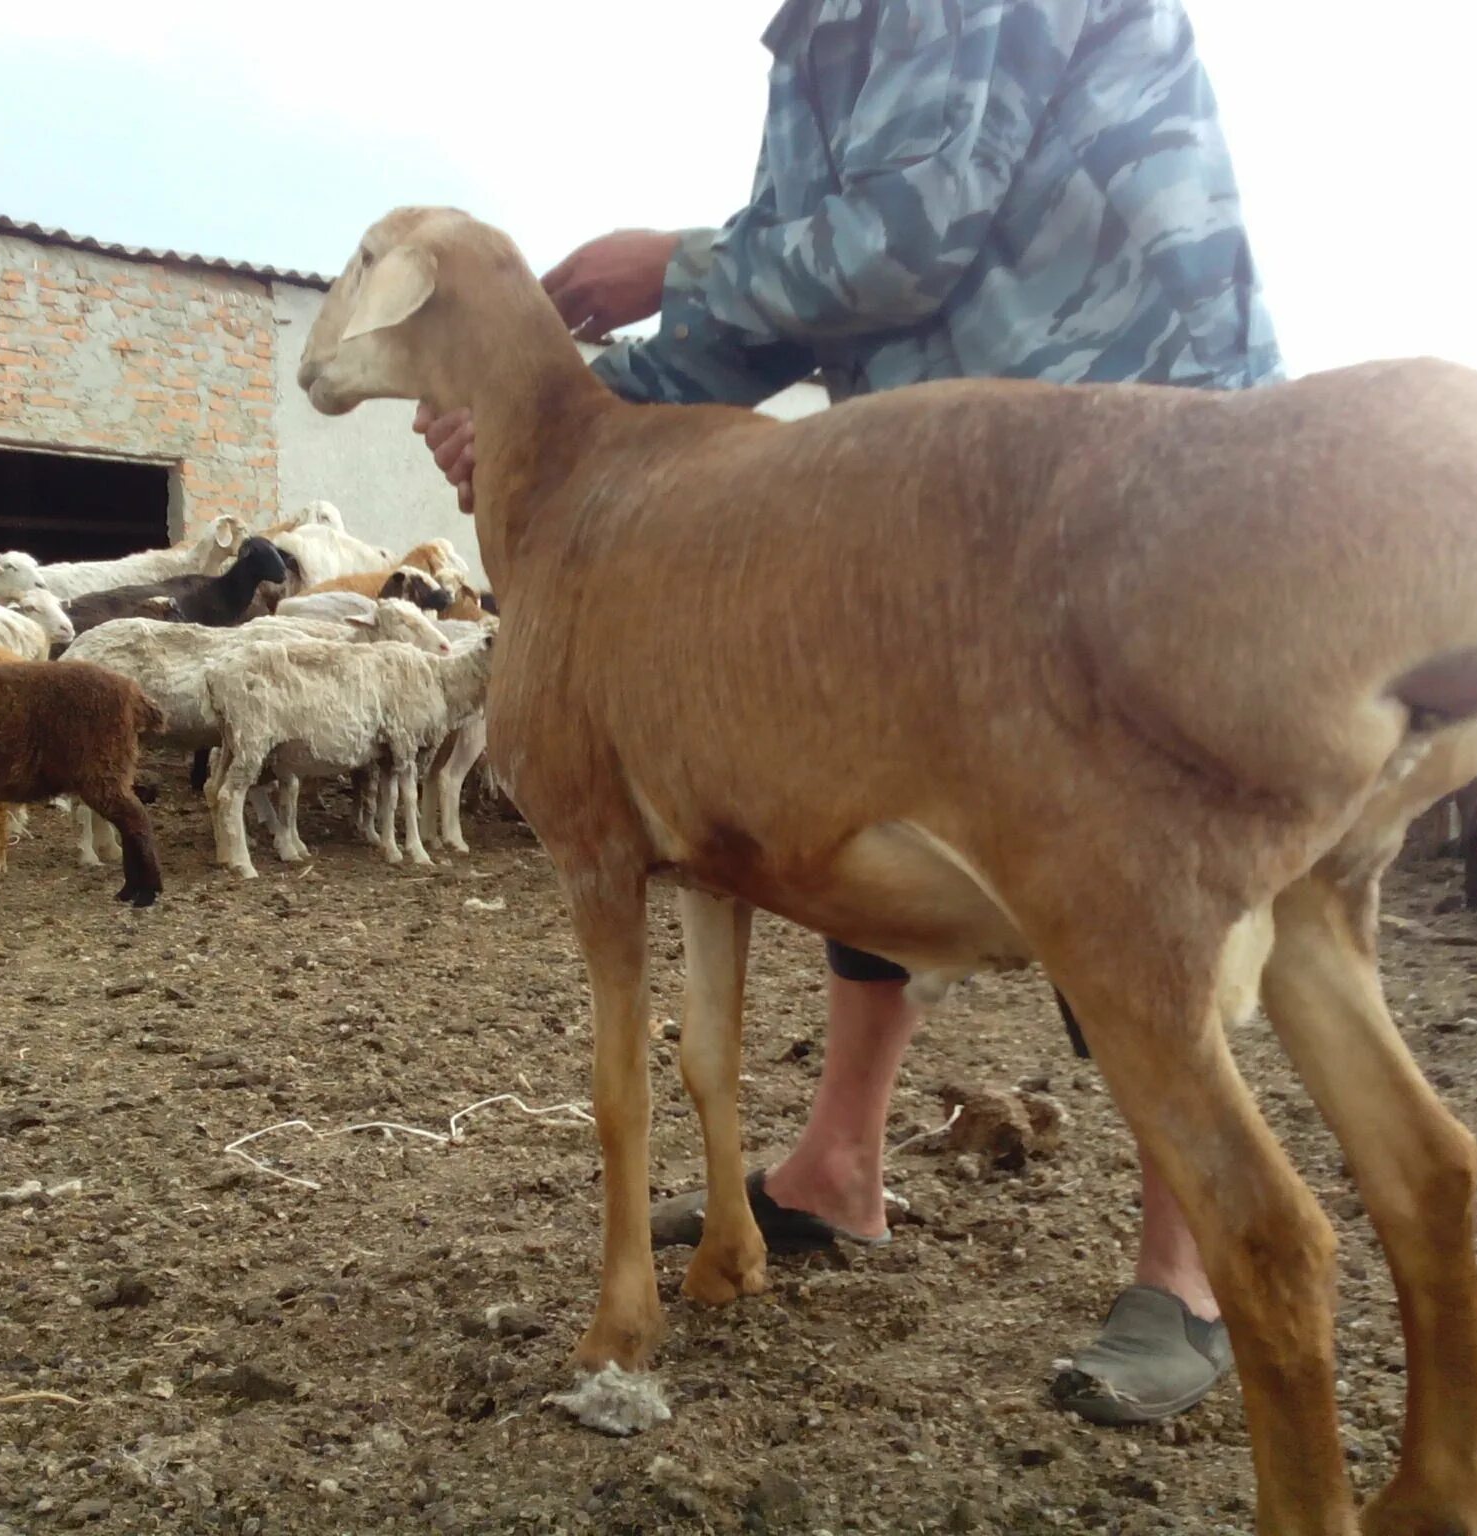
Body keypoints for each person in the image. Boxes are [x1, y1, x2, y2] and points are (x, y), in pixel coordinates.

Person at [415, 0, 1282, 1425]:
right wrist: (541, 417)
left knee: (1119, 844)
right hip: (935, 485)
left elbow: (910, 229)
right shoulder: (814, 41)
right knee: (832, 785)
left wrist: (675, 260)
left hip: (1124, 440)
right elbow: (785, 310)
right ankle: (839, 1164)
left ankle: (1185, 1271)